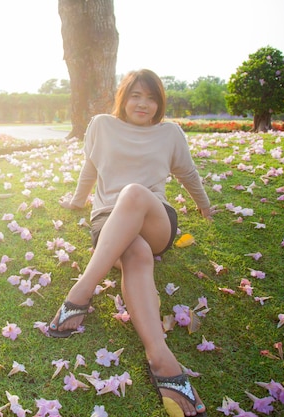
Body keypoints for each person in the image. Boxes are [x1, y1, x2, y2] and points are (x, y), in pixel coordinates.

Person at [49, 69, 211, 416]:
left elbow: (188, 173)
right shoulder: (101, 126)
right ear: (123, 98)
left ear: (159, 103)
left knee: (134, 193)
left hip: (155, 218)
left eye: (151, 98)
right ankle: (161, 358)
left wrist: (205, 205)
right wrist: (78, 201)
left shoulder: (170, 133)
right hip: (109, 221)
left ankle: (81, 290)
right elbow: (90, 169)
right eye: (136, 95)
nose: (144, 103)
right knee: (134, 252)